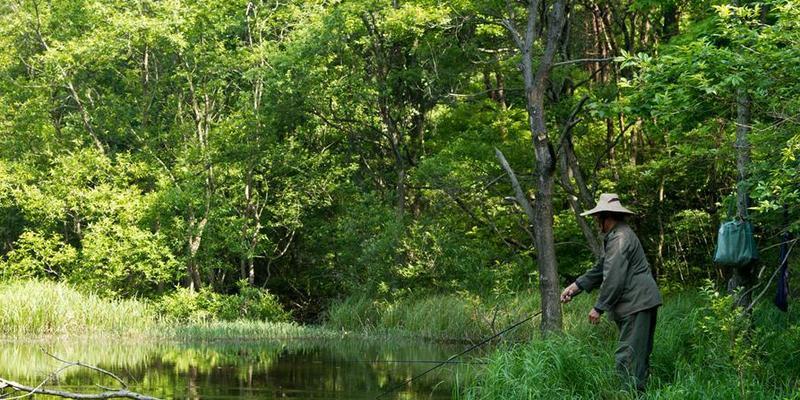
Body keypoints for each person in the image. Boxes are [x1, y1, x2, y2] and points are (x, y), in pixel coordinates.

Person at [560, 193, 662, 392]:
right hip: (640, 302)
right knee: (636, 357)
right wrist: (576, 287)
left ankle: (629, 395)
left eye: (598, 218)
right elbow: (601, 268)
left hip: (637, 303)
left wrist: (599, 307)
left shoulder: (620, 237)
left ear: (607, 217)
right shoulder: (618, 235)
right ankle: (637, 394)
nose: (597, 223)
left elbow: (613, 277)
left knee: (629, 359)